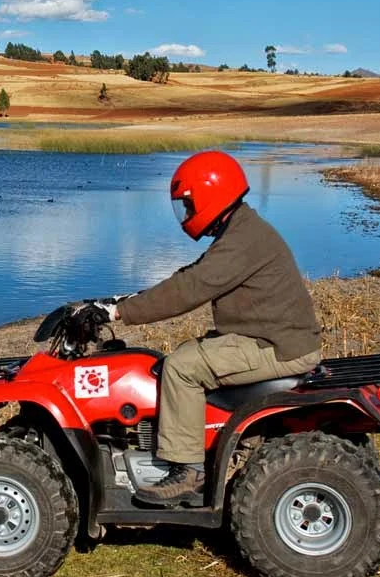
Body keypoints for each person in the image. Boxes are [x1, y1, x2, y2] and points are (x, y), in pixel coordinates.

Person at [101, 151, 321, 507]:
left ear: (209, 196)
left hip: (277, 346)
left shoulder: (244, 238)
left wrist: (119, 313)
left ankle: (188, 472)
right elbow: (193, 275)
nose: (186, 213)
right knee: (185, 355)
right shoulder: (242, 229)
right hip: (273, 337)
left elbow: (192, 288)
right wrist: (123, 299)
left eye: (188, 204)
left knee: (181, 368)